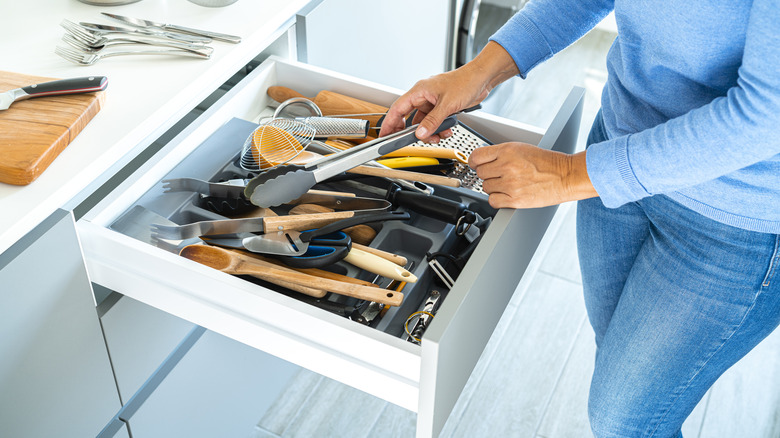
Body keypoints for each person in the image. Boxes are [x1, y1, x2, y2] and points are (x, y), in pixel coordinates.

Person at [379, 1, 780, 436]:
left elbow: (766, 116)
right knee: (618, 366)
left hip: (734, 220)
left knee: (623, 421)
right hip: (619, 149)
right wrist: (481, 71)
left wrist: (570, 173)